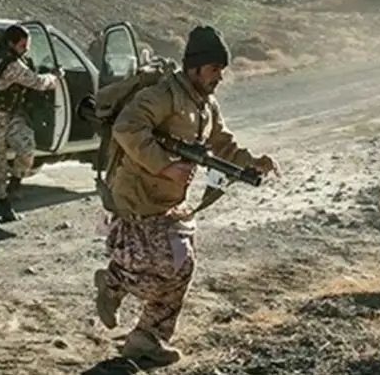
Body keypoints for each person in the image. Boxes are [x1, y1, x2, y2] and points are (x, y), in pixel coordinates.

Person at [93, 25, 279, 366]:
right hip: (136, 198)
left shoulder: (206, 105)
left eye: (222, 70)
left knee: (181, 266)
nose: (219, 77)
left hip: (167, 203)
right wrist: (164, 165)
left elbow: (223, 145)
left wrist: (253, 162)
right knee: (173, 265)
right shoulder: (162, 96)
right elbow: (127, 128)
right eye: (213, 69)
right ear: (194, 67)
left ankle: (143, 331)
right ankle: (118, 290)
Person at [0, 24, 63, 223]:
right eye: (23, 46)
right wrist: (55, 77)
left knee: (26, 147)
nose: (26, 50)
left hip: (9, 115)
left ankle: (15, 181)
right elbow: (39, 83)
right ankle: (4, 203)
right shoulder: (11, 64)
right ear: (10, 43)